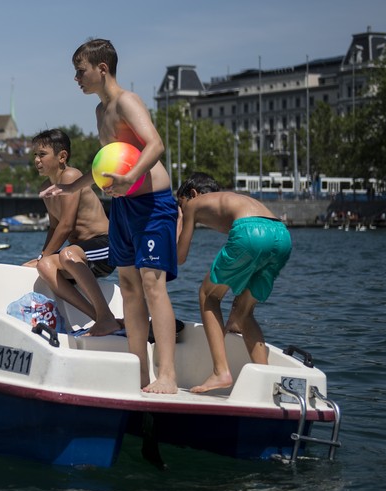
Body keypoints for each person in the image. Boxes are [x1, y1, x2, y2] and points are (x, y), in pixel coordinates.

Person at [41, 39, 179, 394]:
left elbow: (155, 145)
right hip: (123, 207)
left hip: (151, 204)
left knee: (152, 285)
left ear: (102, 68)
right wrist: (73, 188)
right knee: (131, 289)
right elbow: (107, 165)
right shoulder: (100, 113)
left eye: (80, 70)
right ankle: (139, 373)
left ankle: (167, 376)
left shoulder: (126, 102)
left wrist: (132, 178)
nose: (76, 77)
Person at [176, 172, 292, 393]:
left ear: (192, 194)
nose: (181, 208)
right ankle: (267, 379)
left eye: (180, 203)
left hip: (250, 231)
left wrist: (180, 220)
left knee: (208, 295)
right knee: (243, 311)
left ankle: (221, 372)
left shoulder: (193, 204)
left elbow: (179, 257)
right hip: (282, 235)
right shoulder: (232, 199)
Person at [23, 129, 120, 336]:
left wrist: (43, 255)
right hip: (78, 254)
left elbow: (66, 225)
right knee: (46, 266)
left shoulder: (71, 176)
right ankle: (102, 318)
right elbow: (53, 226)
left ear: (62, 157)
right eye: (35, 155)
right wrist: (42, 258)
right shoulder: (45, 187)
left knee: (63, 256)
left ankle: (105, 317)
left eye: (42, 154)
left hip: (105, 247)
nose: (37, 160)